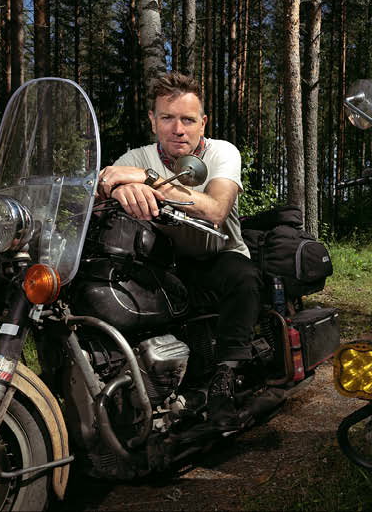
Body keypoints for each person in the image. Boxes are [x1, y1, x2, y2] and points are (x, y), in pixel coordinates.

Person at [97, 72, 261, 397]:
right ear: (152, 120)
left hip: (219, 256)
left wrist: (148, 179)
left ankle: (228, 374)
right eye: (167, 118)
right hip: (163, 264)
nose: (178, 129)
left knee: (243, 276)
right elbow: (103, 188)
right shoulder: (135, 158)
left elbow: (216, 209)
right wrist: (115, 190)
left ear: (203, 123)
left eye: (188, 119)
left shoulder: (222, 152)